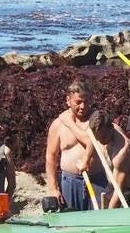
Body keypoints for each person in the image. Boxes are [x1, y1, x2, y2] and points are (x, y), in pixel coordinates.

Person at [45, 79, 99, 210]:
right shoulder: (58, 125)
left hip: (97, 180)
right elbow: (51, 157)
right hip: (69, 182)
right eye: (78, 102)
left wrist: (70, 123)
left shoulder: (97, 119)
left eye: (86, 102)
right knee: (72, 223)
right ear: (68, 101)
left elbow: (91, 141)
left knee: (99, 224)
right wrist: (53, 189)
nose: (83, 106)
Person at [81, 109, 129, 208]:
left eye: (103, 137)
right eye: (97, 137)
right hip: (111, 186)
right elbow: (92, 138)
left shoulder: (121, 152)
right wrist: (86, 160)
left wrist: (109, 214)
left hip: (125, 190)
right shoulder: (97, 130)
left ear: (111, 128)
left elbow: (119, 190)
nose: (99, 141)